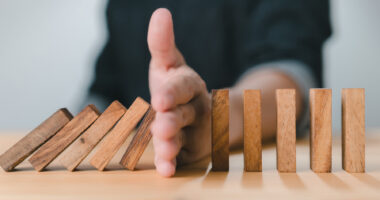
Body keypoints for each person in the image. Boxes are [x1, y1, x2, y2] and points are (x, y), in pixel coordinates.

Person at [87, 1, 331, 177]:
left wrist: (217, 120)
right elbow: (105, 90)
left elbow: (289, 72)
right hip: (141, 178)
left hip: (248, 175)